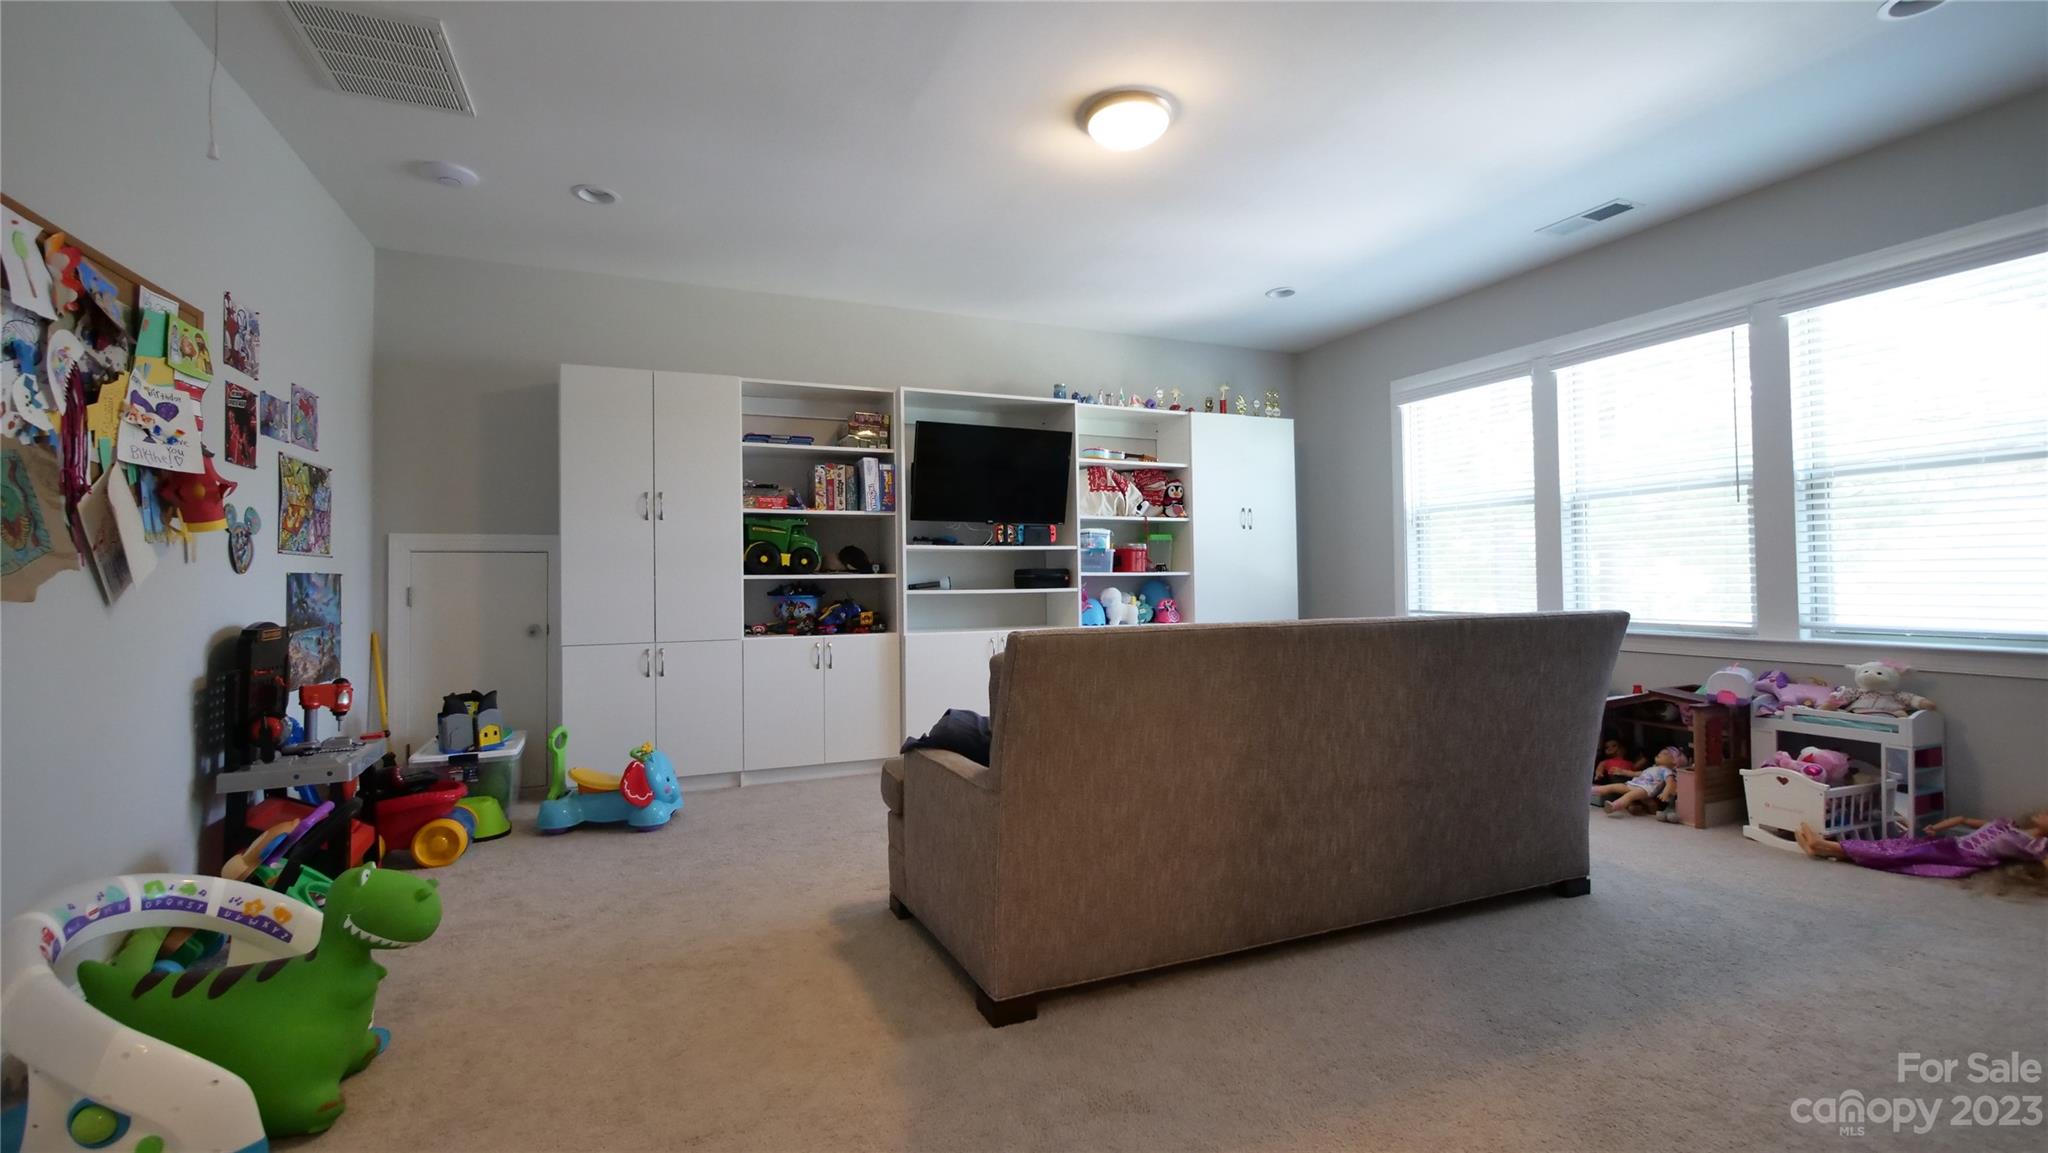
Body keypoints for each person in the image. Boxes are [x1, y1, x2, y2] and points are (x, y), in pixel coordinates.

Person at [1796, 811, 2048, 878]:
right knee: (1896, 847)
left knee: (1900, 854)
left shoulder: (2035, 844)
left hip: (1963, 856)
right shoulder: (2009, 824)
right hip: (1952, 843)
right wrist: (1937, 828)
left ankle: (1826, 846)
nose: (2042, 813)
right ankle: (1828, 849)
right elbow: (1963, 819)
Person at [1591, 746, 1686, 817]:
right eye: (1660, 752)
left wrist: (1666, 792)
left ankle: (1615, 806)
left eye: (1665, 754)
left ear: (1674, 762)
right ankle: (1591, 790)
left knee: (1629, 796)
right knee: (1614, 786)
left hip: (1646, 789)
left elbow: (1670, 782)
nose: (1660, 753)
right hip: (1633, 784)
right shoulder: (1653, 768)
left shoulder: (1666, 771)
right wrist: (1622, 771)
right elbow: (1637, 773)